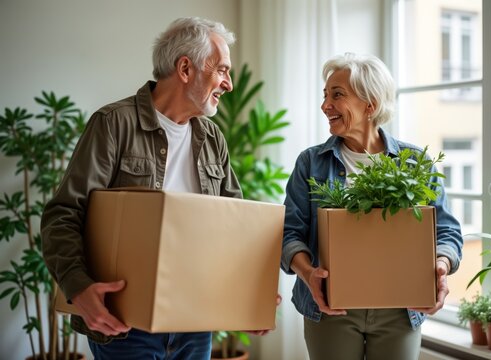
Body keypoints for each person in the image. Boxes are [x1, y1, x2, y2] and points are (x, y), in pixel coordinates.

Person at [41, 17, 269, 359]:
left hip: (196, 322)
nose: (229, 84)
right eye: (222, 70)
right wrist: (79, 286)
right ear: (185, 68)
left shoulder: (212, 139)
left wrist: (247, 297)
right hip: (126, 325)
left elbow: (234, 227)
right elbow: (63, 214)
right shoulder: (114, 124)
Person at [280, 53, 463, 360]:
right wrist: (308, 273)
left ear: (370, 104)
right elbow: (289, 233)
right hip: (331, 308)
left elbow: (446, 232)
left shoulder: (415, 163)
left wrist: (440, 269)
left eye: (337, 95)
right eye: (325, 96)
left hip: (400, 309)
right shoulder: (310, 163)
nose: (325, 105)